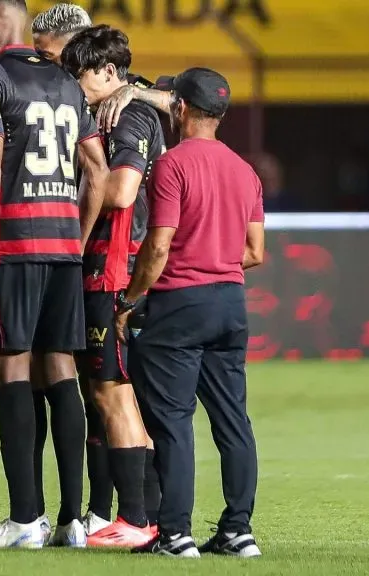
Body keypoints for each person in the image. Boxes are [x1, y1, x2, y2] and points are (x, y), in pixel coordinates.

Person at [0, 0, 109, 549]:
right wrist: (79, 231)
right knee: (61, 368)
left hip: (12, 246)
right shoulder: (70, 86)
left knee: (10, 370)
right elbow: (96, 169)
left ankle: (25, 518)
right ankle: (74, 519)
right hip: (63, 246)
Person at [114, 68, 263, 558]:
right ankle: (238, 530)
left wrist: (131, 299)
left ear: (178, 108)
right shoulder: (245, 170)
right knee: (233, 420)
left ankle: (175, 534)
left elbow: (157, 247)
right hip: (230, 302)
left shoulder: (172, 165)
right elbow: (255, 251)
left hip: (180, 303)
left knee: (173, 421)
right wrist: (215, 257)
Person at [62, 24, 165, 548]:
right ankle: (139, 516)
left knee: (113, 393)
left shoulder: (132, 114)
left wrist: (89, 177)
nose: (73, 89)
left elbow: (123, 191)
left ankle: (138, 519)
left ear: (107, 72)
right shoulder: (119, 107)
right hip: (104, 269)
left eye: (78, 77)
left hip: (114, 269)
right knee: (108, 395)